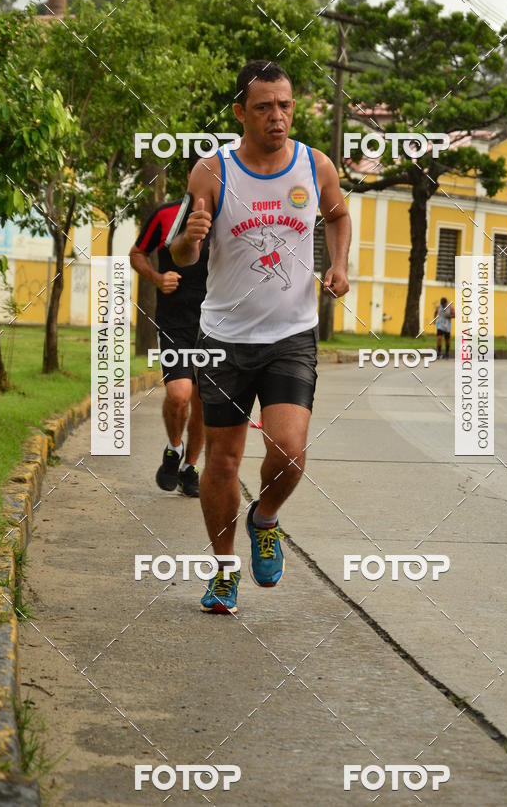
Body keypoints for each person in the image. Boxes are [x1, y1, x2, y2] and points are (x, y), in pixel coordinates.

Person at [171, 59, 351, 613]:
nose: (278, 117)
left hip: (292, 333)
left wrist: (339, 264)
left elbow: (339, 216)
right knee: (222, 459)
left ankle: (265, 516)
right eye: (264, 107)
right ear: (240, 113)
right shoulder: (211, 172)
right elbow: (181, 252)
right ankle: (224, 570)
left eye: (286, 105)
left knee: (290, 453)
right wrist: (189, 241)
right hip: (224, 335)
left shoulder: (314, 166)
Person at [129, 156, 209, 497]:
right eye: (202, 171)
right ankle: (173, 450)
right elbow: (137, 253)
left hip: (217, 323)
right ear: (189, 176)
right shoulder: (165, 214)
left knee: (205, 400)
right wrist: (157, 278)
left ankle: (190, 467)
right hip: (175, 320)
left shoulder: (231, 220)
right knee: (179, 394)